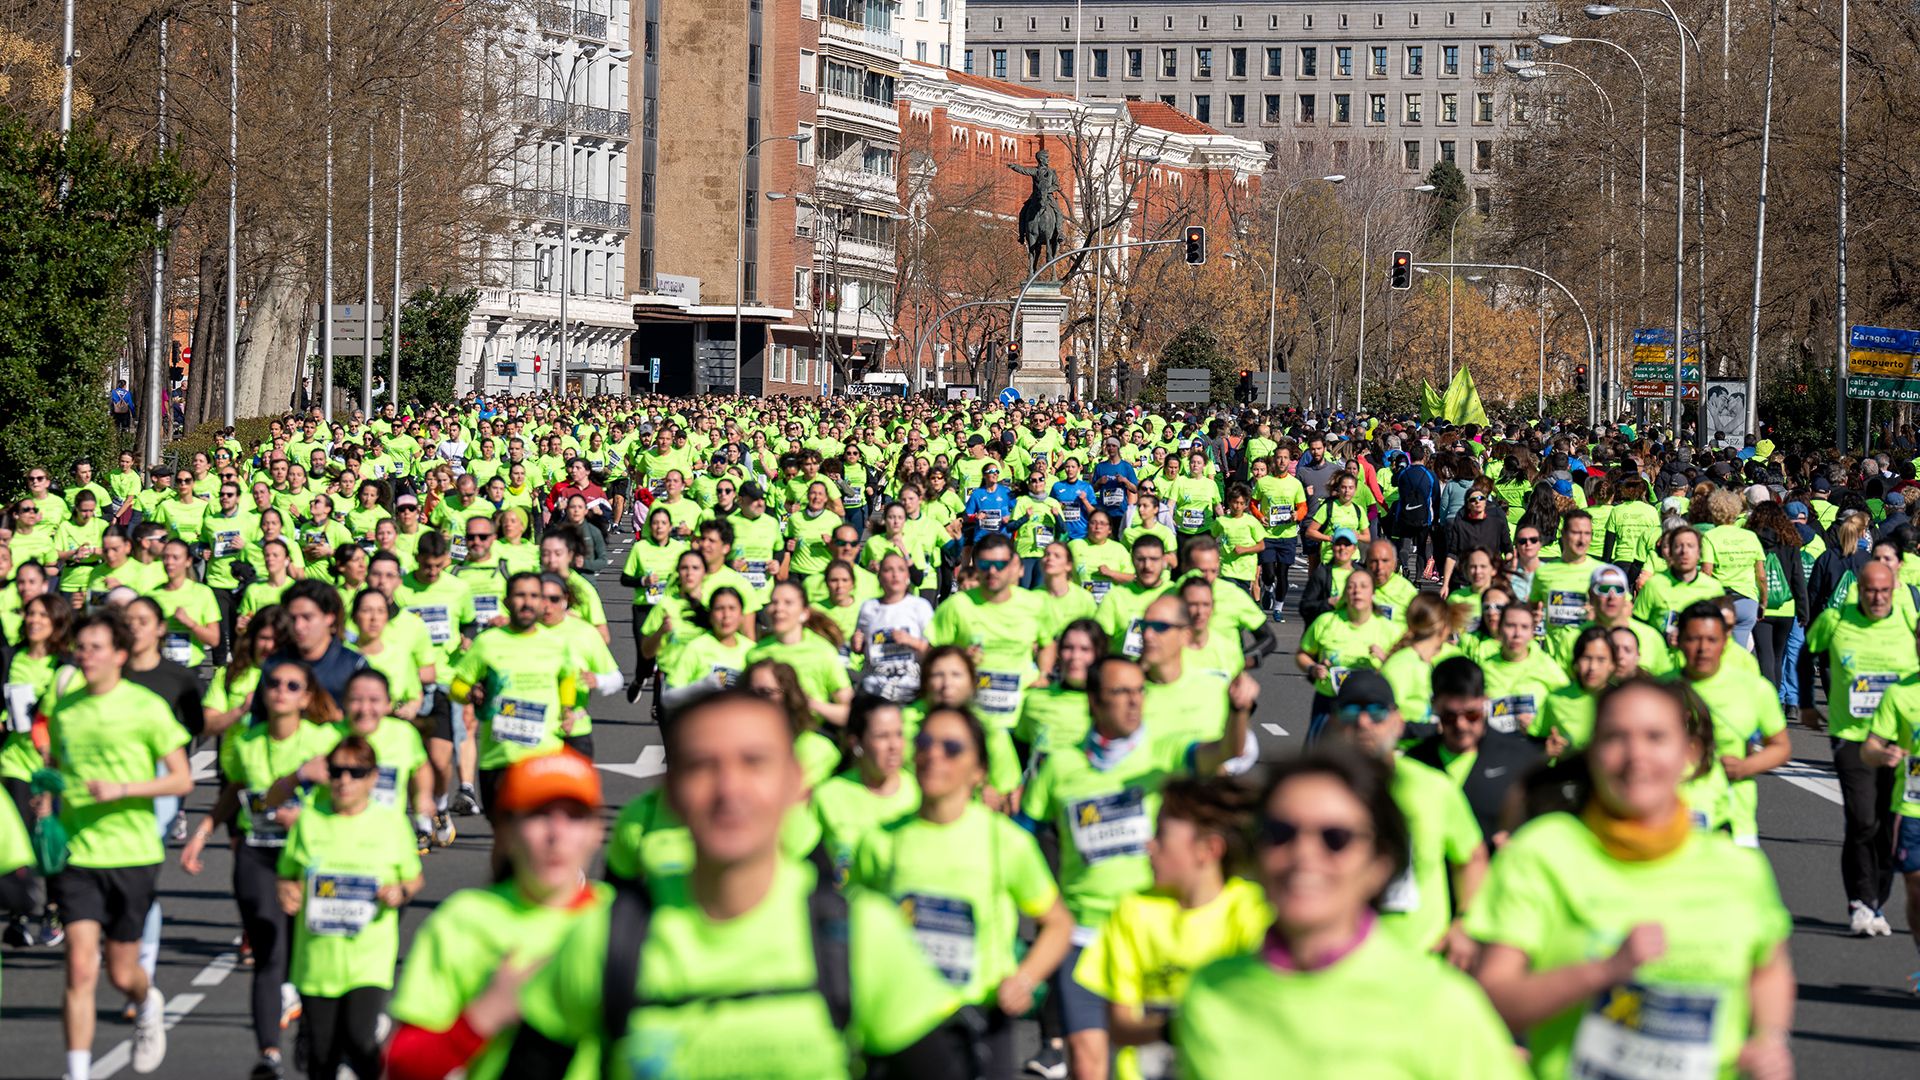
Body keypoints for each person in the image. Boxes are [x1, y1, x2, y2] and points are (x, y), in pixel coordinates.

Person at [497, 690, 973, 1078]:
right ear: (671, 793)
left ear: (794, 785)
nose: (730, 789)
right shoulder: (604, 940)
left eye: (754, 762)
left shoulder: (860, 936)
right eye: (703, 766)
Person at [1468, 678, 1796, 1080]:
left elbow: (1768, 969)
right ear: (1593, 754)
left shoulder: (1737, 869)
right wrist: (1603, 972)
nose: (1635, 755)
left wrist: (1769, 1040)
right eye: (1615, 738)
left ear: (1688, 752)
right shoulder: (1542, 853)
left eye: (1655, 737)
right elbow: (1493, 997)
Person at [1172, 750, 1526, 1078]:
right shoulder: (1210, 994)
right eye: (1280, 833)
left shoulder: (1442, 1006)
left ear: (1380, 864)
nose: (1304, 854)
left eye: (1335, 838)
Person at [1018, 656, 1254, 1080]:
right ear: (1094, 702)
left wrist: (1239, 712)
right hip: (1083, 934)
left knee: (1154, 1061)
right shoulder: (1061, 765)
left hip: (1147, 932)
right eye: (1120, 692)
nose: (1133, 702)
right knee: (1088, 1066)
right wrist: (1046, 908)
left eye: (1139, 691)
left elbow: (1227, 751)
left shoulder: (1164, 751)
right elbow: (1028, 838)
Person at [848, 704, 1073, 1079]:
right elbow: (850, 926)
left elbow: (1058, 923)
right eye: (924, 742)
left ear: (979, 770)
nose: (934, 754)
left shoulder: (1005, 841)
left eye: (952, 748)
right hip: (897, 1026)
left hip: (979, 1024)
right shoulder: (880, 842)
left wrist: (1024, 979)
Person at [385, 751, 609, 1080]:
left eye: (574, 816)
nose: (556, 834)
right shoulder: (463, 921)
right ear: (505, 830)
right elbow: (403, 1064)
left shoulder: (622, 921)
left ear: (596, 831)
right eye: (537, 815)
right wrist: (483, 1016)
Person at [42, 611, 192, 1079]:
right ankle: (78, 1071)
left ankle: (147, 1002)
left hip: (132, 853)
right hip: (80, 855)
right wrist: (48, 805)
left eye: (95, 648)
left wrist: (123, 790)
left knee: (121, 974)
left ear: (119, 655)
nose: (84, 656)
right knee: (80, 968)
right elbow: (57, 771)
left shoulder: (146, 707)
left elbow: (182, 778)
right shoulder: (66, 708)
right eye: (80, 647)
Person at [183, 657, 339, 1077]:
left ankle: (311, 1029)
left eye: (292, 686)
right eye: (273, 684)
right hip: (257, 853)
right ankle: (268, 1054)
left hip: (311, 857)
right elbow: (235, 789)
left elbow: (346, 803)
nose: (280, 691)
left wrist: (306, 819)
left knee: (307, 952)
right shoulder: (246, 741)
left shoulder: (324, 741)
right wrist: (203, 831)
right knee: (269, 946)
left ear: (307, 696)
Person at [1073, 778, 1270, 1080]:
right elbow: (1121, 1026)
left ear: (1208, 849)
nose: (1148, 845)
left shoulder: (1252, 913)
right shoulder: (1133, 911)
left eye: (1161, 835)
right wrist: (1175, 1027)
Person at [275, 734, 423, 1079]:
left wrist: (399, 891)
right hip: (317, 958)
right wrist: (288, 892)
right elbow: (286, 875)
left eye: (356, 773)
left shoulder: (391, 824)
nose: (344, 780)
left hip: (368, 956)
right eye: (337, 771)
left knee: (359, 1038)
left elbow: (414, 879)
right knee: (322, 1052)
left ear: (373, 778)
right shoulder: (309, 821)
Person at [1321, 670, 1485, 964]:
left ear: (1397, 723)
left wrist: (1465, 923)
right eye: (1350, 711)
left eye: (1376, 712)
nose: (1363, 723)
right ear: (1333, 723)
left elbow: (1471, 857)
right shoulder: (1314, 796)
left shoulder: (1432, 787)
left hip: (1421, 963)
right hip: (1338, 965)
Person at [1806, 559, 1913, 936]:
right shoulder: (1837, 620)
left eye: (1885, 590)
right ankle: (1858, 900)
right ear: (1859, 589)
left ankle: (1876, 901)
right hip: (1851, 735)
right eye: (1871, 591)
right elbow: (1807, 651)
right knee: (1862, 817)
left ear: (1894, 588)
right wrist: (1806, 702)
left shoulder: (1906, 622)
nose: (1878, 597)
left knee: (1888, 824)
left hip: (1898, 741)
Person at [1675, 601, 1791, 846]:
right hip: (1670, 817)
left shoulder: (1754, 689)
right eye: (1694, 639)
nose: (1703, 648)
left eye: (1711, 640)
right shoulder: (1660, 691)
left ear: (1724, 641)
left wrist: (1745, 767)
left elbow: (1780, 747)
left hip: (1735, 817)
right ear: (1679, 640)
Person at [811, 695, 920, 879]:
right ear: (856, 742)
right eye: (882, 736)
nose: (894, 745)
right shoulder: (827, 796)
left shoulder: (919, 794)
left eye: (899, 734)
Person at [1296, 569, 1398, 743]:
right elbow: (1302, 654)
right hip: (1329, 702)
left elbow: (1402, 669)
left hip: (1370, 708)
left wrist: (1386, 659)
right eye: (1351, 587)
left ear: (1373, 593)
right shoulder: (1326, 621)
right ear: (1345, 593)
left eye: (1363, 586)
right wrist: (1313, 668)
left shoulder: (1389, 630)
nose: (1357, 591)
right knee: (1319, 759)